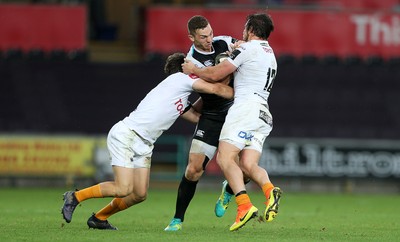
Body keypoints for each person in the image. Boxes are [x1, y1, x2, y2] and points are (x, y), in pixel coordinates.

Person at [61, 52, 234, 230]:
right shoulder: (179, 79)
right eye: (192, 65)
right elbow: (217, 89)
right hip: (128, 134)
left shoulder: (178, 94)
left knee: (139, 194)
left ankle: (99, 218)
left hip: (144, 144)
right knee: (123, 188)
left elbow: (198, 117)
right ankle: (75, 197)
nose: (196, 68)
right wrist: (242, 91)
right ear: (184, 68)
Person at [182, 13, 282, 231]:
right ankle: (269, 190)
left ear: (251, 29)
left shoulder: (246, 49)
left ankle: (244, 206)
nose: (242, 32)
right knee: (248, 165)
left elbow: (218, 73)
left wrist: (194, 70)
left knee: (225, 157)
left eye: (245, 27)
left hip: (245, 108)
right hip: (263, 113)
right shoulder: (270, 53)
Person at [164, 15, 243, 232]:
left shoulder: (224, 41)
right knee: (193, 170)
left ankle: (229, 190)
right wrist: (229, 61)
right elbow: (218, 81)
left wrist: (240, 47)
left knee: (247, 166)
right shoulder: (192, 61)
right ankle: (177, 219)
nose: (209, 39)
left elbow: (244, 48)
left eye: (210, 33)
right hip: (213, 115)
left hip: (237, 111)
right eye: (203, 36)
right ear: (191, 37)